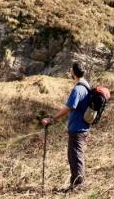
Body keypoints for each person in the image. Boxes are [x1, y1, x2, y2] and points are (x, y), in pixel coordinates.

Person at [41, 62, 91, 191]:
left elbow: (69, 108)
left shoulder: (78, 89)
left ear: (73, 73)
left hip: (77, 129)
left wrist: (52, 119)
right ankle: (75, 184)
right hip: (82, 128)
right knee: (75, 156)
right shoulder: (86, 86)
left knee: (75, 157)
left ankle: (78, 186)